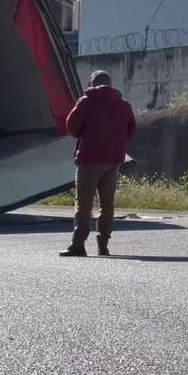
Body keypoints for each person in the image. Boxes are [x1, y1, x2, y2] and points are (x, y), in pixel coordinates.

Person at [60, 70, 136, 257]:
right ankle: (103, 245)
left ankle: (78, 244)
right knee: (107, 203)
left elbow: (72, 126)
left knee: (84, 203)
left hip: (89, 159)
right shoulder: (123, 105)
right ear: (110, 84)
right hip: (113, 161)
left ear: (91, 84)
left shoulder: (86, 102)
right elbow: (131, 130)